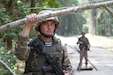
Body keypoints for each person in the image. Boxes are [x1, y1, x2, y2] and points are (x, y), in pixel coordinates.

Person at [15, 10, 72, 75]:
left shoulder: (60, 46)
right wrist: (28, 26)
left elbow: (68, 67)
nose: (49, 27)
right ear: (39, 26)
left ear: (55, 26)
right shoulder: (31, 44)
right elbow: (21, 55)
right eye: (45, 24)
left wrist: (67, 73)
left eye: (52, 24)